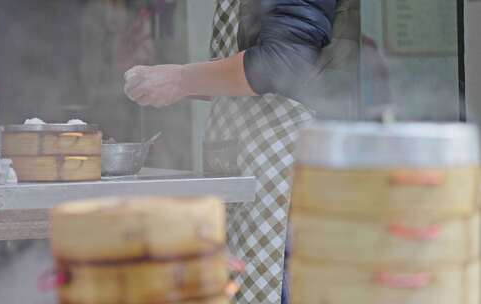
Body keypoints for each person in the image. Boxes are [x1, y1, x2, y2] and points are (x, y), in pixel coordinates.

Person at [124, 0, 360, 303]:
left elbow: (283, 64)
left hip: (288, 180)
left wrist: (180, 79)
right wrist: (170, 85)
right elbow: (256, 83)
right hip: (250, 170)